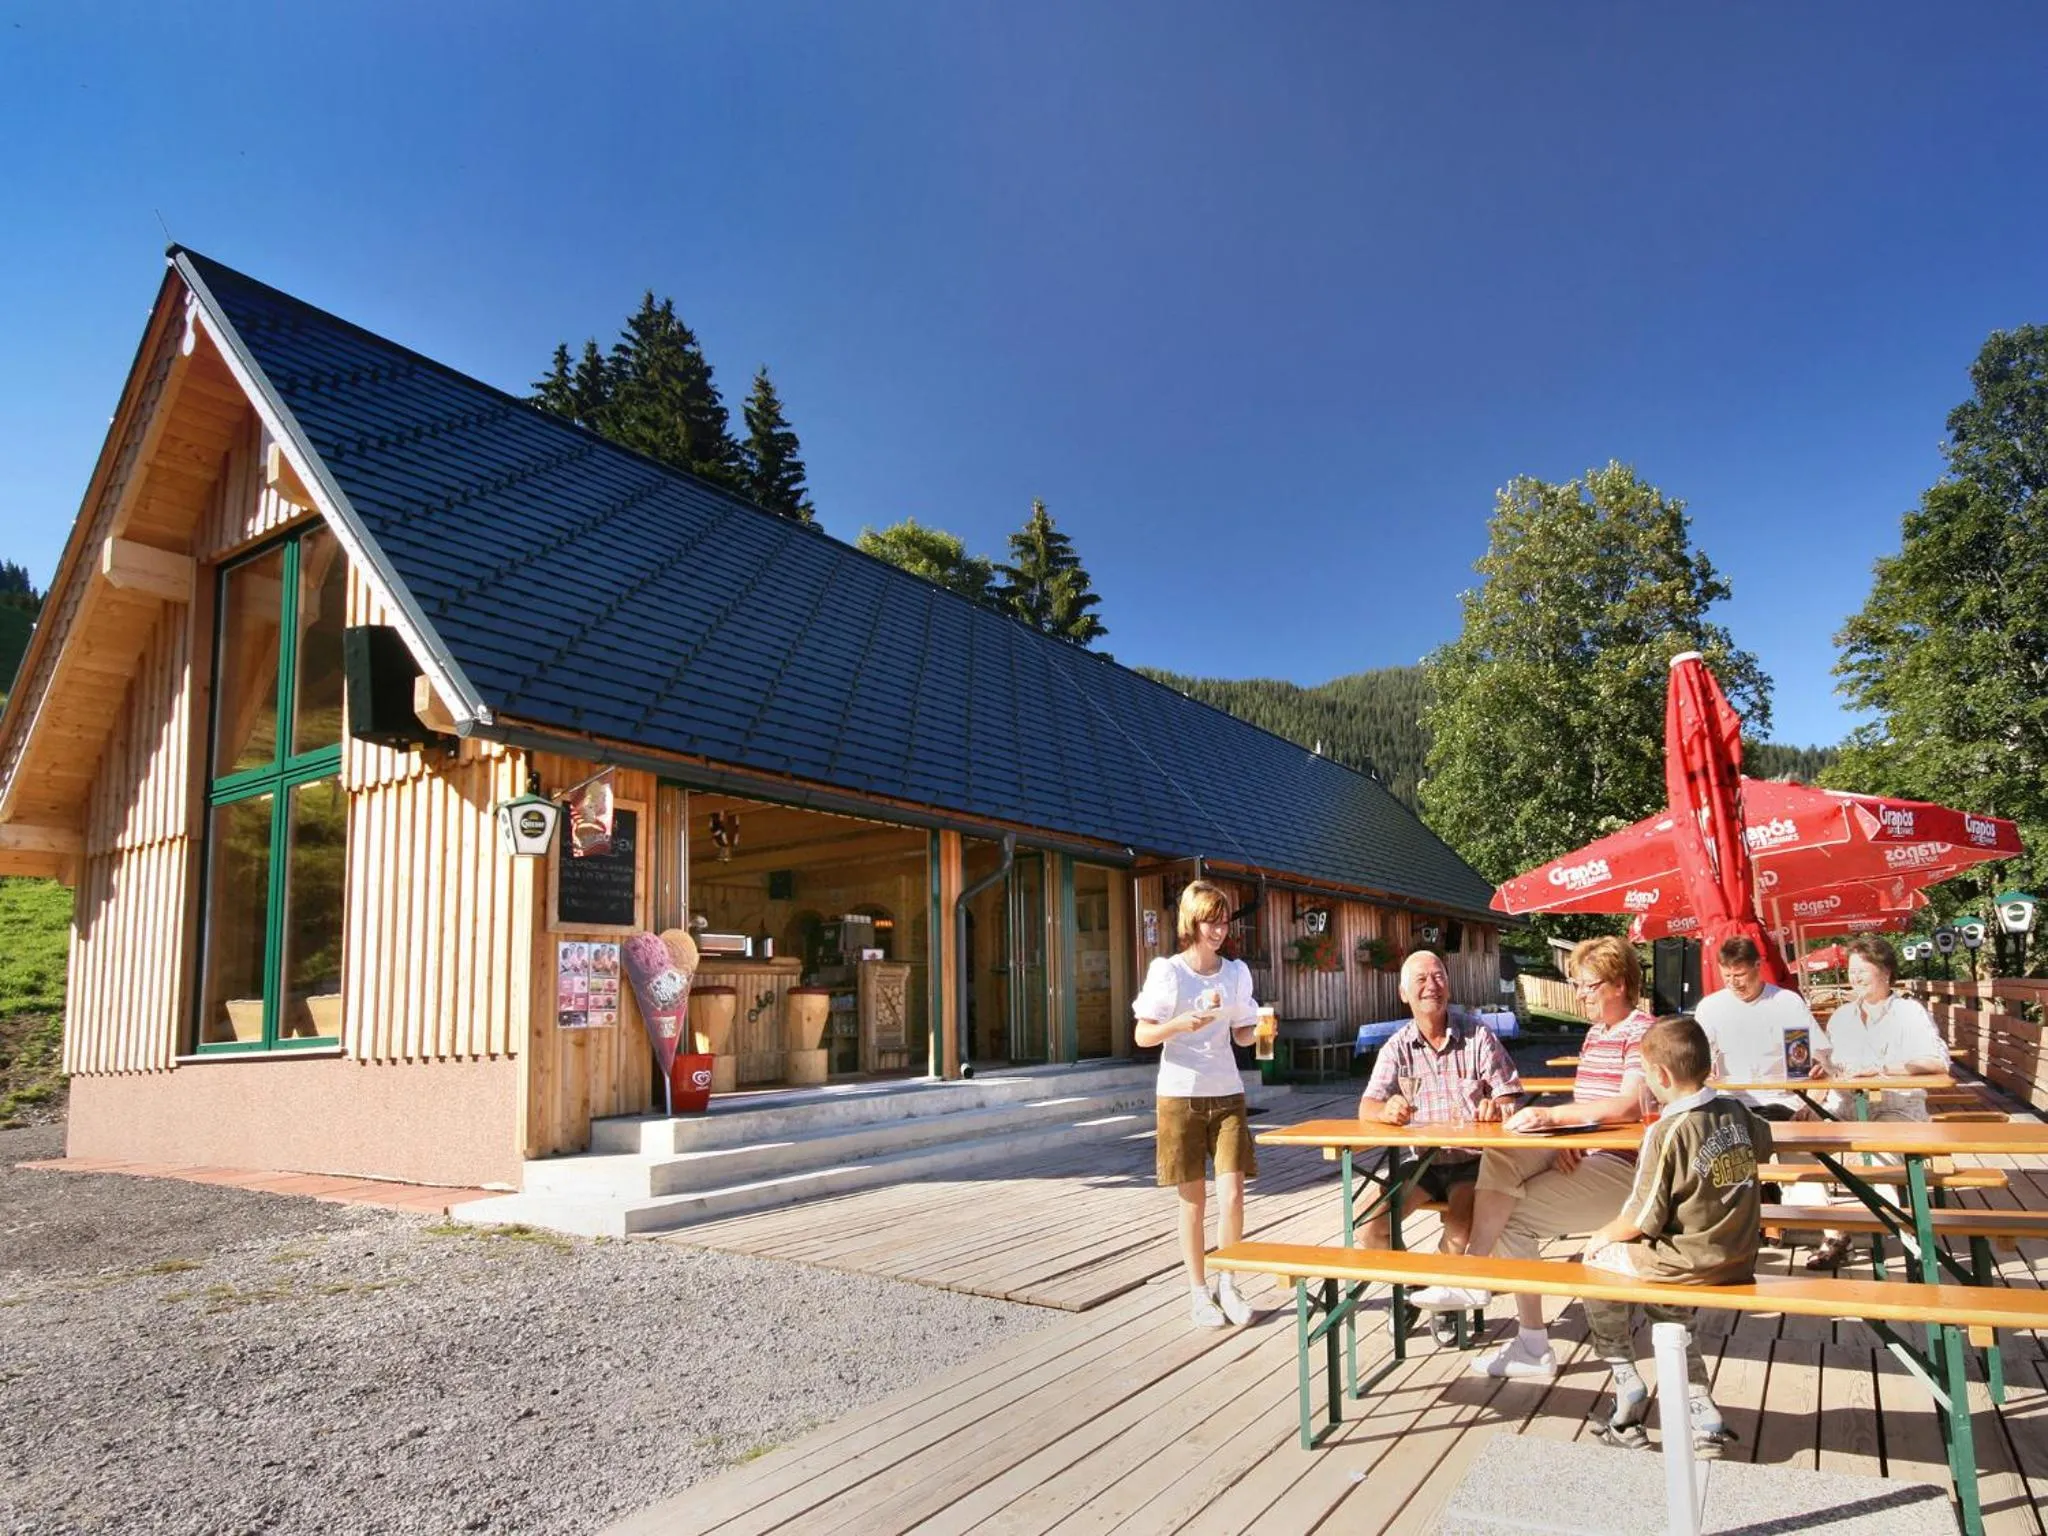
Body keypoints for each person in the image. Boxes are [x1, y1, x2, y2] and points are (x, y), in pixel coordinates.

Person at [1410, 934, 1655, 1379]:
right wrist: (1568, 1139)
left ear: (1620, 984)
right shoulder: (1597, 1034)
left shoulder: (1643, 1032)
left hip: (1629, 1174)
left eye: (1587, 986)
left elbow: (1629, 1105)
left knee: (1506, 1214)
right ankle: (1477, 1280)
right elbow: (1594, 1109)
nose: (1579, 996)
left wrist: (1556, 1119)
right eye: (1577, 985)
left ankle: (1526, 1338)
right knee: (1503, 1150)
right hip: (1589, 1155)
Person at [1579, 1014, 1771, 1452]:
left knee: (1593, 1269)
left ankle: (1624, 1377)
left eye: (1646, 1073)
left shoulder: (1666, 1131)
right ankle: (1700, 1407)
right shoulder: (1735, 1110)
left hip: (1690, 1260)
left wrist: (1600, 1237)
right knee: (1660, 1291)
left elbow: (1640, 1217)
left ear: (1661, 1076)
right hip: (1739, 1256)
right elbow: (1764, 1142)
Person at [1356, 949, 1524, 1344]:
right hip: (1425, 1163)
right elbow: (1367, 1106)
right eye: (1421, 979)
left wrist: (1496, 1106)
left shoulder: (1478, 1035)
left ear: (1448, 985)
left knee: (1459, 1229)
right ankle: (1417, 1289)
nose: (1432, 985)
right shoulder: (1397, 1046)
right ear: (1404, 994)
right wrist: (1387, 1110)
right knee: (1368, 1223)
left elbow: (1510, 1097)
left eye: (1438, 977)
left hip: (1474, 1162)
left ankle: (1444, 1302)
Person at [1132, 880, 1264, 1328]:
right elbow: (1143, 1034)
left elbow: (1241, 1034)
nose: (1220, 930)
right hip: (1179, 1096)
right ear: (1192, 922)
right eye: (1211, 921)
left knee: (1233, 1195)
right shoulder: (1169, 973)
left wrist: (1260, 1031)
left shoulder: (1236, 973)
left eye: (1224, 921)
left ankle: (1229, 1283)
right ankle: (1198, 1292)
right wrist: (1178, 1025)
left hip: (1227, 1093)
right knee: (1193, 1201)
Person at [1803, 934, 1950, 1271]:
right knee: (1796, 1147)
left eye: (1862, 970)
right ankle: (1832, 1230)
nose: (1855, 977)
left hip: (1896, 1109)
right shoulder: (1842, 1016)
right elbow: (1831, 1068)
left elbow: (1937, 1062)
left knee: (1876, 1153)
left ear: (1885, 972)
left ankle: (1892, 1234)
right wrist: (1816, 1088)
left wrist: (1882, 1069)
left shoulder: (1909, 1012)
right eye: (1852, 970)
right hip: (1845, 1110)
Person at [1693, 935, 1821, 1124]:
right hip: (1728, 1101)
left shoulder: (1787, 1003)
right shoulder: (1710, 1007)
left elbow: (1814, 1060)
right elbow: (1699, 1059)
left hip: (1780, 1101)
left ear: (1758, 966)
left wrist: (1815, 1067)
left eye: (1739, 975)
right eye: (1727, 976)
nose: (1733, 983)